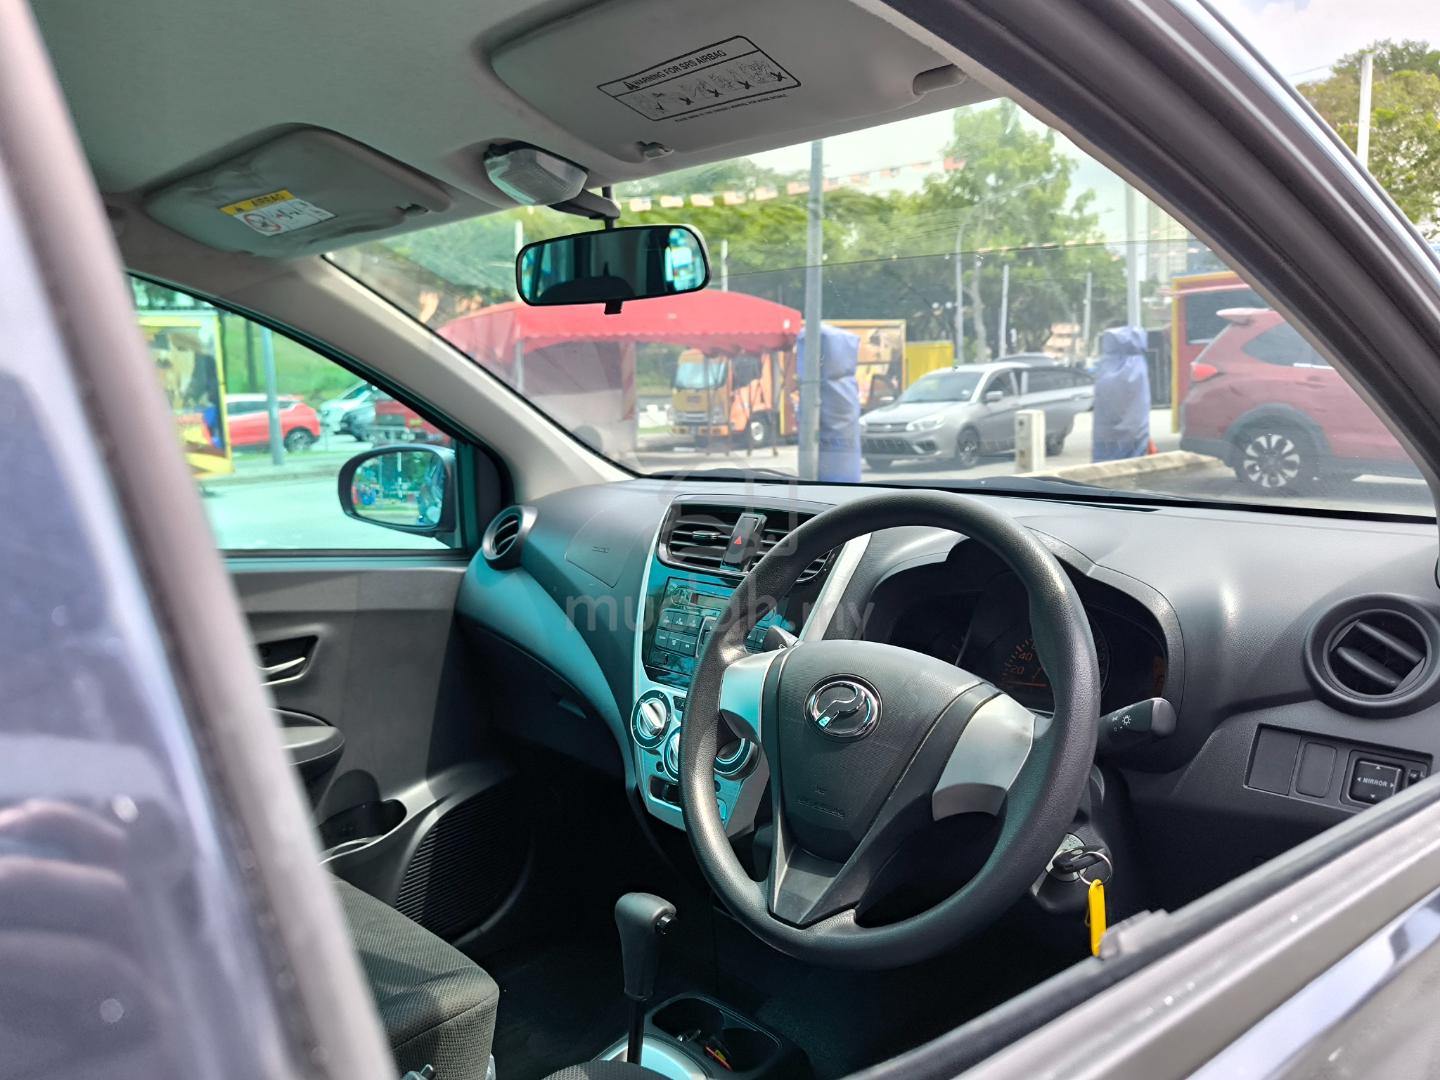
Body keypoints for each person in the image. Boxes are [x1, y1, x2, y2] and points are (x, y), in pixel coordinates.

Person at [1091, 326, 1151, 462]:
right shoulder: (1137, 363)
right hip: (1134, 431)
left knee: (1104, 463)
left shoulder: (1106, 365)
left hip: (1106, 433)